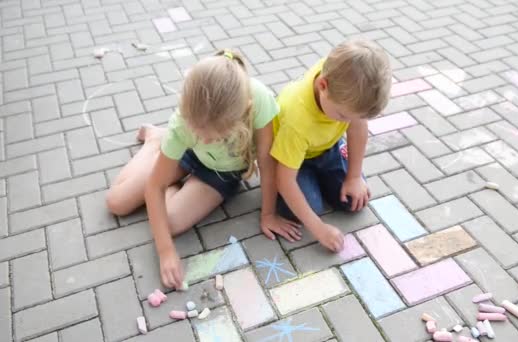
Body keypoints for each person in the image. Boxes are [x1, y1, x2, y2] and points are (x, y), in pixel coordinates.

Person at [106, 50, 300, 289]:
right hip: (186, 151)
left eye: (214, 136)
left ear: (243, 112)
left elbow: (268, 163)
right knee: (116, 202)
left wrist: (268, 214)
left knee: (171, 223)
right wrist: (165, 251)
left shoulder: (259, 99)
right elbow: (155, 186)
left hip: (221, 172)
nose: (206, 140)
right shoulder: (184, 123)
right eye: (199, 133)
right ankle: (155, 142)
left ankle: (173, 173)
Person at [271, 39, 392, 252]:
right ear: (322, 86)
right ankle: (309, 187)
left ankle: (322, 181)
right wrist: (319, 229)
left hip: (327, 147)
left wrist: (354, 176)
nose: (343, 121)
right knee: (310, 208)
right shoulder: (297, 119)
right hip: (293, 161)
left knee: (354, 200)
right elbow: (285, 180)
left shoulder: (343, 82)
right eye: (342, 115)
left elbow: (357, 125)